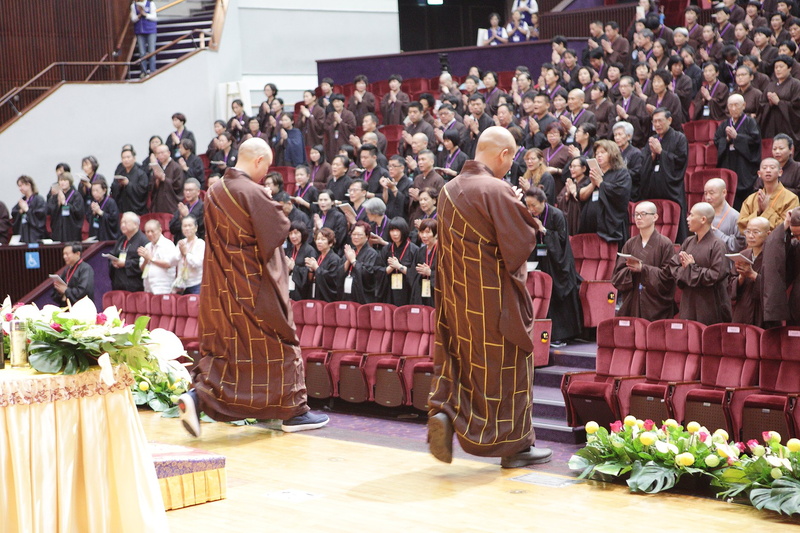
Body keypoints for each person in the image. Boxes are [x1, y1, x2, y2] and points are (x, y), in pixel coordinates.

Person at [178, 138, 330, 437]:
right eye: (268, 166)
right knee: (280, 344)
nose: (266, 173)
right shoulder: (251, 190)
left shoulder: (215, 191)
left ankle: (197, 397)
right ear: (259, 161)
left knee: (235, 353)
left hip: (224, 287)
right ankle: (293, 412)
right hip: (253, 286)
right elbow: (277, 229)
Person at [427, 126, 553, 469]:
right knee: (509, 367)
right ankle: (515, 448)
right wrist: (519, 207)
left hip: (456, 298)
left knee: (465, 364)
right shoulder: (496, 189)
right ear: (503, 155)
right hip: (494, 298)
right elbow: (522, 242)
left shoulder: (448, 189)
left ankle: (449, 414)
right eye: (511, 158)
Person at [668, 202, 733, 325]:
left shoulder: (718, 245)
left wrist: (692, 268)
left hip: (710, 303)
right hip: (688, 300)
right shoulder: (688, 242)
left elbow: (716, 275)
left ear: (703, 219)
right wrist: (688, 270)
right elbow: (673, 266)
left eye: (691, 215)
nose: (687, 219)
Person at [611, 201, 676, 321]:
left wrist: (643, 269)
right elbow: (616, 276)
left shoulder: (665, 244)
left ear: (655, 217)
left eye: (643, 214)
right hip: (633, 299)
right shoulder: (630, 243)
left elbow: (669, 277)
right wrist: (630, 271)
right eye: (636, 214)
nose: (639, 218)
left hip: (655, 303)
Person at [640, 108, 690, 242]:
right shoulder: (652, 139)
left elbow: (680, 162)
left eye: (660, 121)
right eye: (654, 121)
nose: (657, 124)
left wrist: (661, 152)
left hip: (671, 188)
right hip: (653, 187)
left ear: (669, 120)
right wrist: (652, 155)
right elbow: (643, 164)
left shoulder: (679, 138)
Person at [578, 140, 631, 246]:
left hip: (610, 227)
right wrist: (593, 184)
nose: (599, 156)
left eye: (603, 152)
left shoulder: (621, 174)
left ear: (612, 153)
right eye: (597, 153)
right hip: (590, 225)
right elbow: (581, 195)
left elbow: (620, 194)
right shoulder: (595, 173)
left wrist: (601, 184)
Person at [714, 94, 762, 209]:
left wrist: (737, 137)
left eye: (736, 105)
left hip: (744, 165)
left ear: (744, 105)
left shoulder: (751, 123)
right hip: (728, 161)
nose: (733, 108)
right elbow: (716, 140)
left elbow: (755, 141)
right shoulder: (724, 124)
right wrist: (726, 139)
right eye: (730, 105)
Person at [762, 208, 800, 326]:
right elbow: (774, 253)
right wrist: (785, 225)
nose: (798, 239)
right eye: (796, 235)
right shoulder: (797, 246)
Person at [738, 158, 800, 231]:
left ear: (780, 172)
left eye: (772, 167)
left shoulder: (791, 198)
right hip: (752, 240)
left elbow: (787, 226)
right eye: (764, 168)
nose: (768, 170)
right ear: (759, 174)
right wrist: (758, 212)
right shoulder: (751, 199)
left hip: (778, 241)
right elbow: (741, 225)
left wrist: (767, 210)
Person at [730, 216, 770, 327]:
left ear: (768, 234)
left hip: (762, 312)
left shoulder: (773, 257)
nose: (751, 236)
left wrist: (752, 275)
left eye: (756, 232)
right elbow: (730, 286)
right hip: (742, 310)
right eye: (748, 231)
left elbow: (775, 288)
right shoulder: (742, 255)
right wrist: (741, 277)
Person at [759, 55, 800, 149]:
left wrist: (779, 102)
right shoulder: (770, 85)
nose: (778, 70)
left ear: (789, 68)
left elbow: (797, 106)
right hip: (771, 124)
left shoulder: (796, 84)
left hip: (788, 126)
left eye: (781, 67)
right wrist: (769, 104)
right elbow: (761, 104)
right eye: (776, 67)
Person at [376, 217, 418, 306]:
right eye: (392, 231)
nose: (395, 234)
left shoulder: (414, 250)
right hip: (389, 291)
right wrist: (389, 268)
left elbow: (416, 274)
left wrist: (399, 266)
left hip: (407, 292)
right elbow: (377, 270)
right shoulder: (386, 249)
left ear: (404, 231)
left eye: (398, 231)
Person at [340, 221, 379, 303]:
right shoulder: (351, 251)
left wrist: (354, 261)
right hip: (347, 294)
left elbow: (368, 275)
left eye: (359, 234)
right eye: (353, 234)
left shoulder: (372, 253)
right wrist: (348, 260)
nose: (356, 237)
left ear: (367, 236)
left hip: (363, 297)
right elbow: (339, 274)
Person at [109, 212, 148, 292]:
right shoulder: (121, 240)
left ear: (136, 224)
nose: (122, 225)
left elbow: (144, 263)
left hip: (135, 285)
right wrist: (113, 262)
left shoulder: (143, 241)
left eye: (125, 222)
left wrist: (125, 263)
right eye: (121, 222)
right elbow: (113, 253)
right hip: (118, 282)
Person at [705, 178, 746, 253]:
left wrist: (716, 233)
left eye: (711, 193)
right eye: (705, 193)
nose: (708, 197)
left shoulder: (735, 217)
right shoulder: (703, 214)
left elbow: (739, 246)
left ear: (724, 193)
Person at [138, 219, 178, 295]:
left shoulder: (168, 244)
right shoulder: (147, 246)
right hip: (148, 286)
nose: (149, 234)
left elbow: (169, 263)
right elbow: (142, 268)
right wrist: (146, 260)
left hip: (163, 287)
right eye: (147, 231)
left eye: (152, 231)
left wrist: (151, 258)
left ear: (160, 230)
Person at [306, 227, 342, 302]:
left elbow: (332, 280)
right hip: (315, 292)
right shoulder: (318, 257)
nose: (319, 242)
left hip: (327, 298)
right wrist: (311, 270)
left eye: (323, 239)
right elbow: (311, 278)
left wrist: (316, 268)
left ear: (330, 243)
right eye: (317, 239)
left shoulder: (334, 259)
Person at [47, 172, 85, 242]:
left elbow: (78, 212)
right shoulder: (56, 196)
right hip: (58, 228)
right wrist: (58, 204)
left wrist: (65, 203)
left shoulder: (76, 195)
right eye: (61, 180)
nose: (62, 183)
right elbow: (50, 210)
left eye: (65, 180)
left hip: (71, 229)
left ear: (69, 182)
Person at [173, 215, 204, 295]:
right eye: (184, 226)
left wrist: (186, 253)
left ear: (196, 228)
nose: (187, 228)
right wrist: (180, 253)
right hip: (182, 284)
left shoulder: (200, 243)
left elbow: (198, 263)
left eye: (190, 225)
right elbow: (173, 261)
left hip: (196, 283)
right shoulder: (181, 242)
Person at [113, 147, 149, 216]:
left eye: (128, 157)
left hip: (136, 208)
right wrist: (119, 186)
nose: (126, 160)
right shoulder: (120, 173)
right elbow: (113, 188)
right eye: (123, 158)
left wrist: (128, 184)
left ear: (134, 158)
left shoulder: (141, 174)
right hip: (123, 207)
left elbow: (142, 191)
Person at [286, 220, 317, 301]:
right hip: (290, 288)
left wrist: (294, 268)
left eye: (296, 233)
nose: (293, 236)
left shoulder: (309, 250)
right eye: (290, 233)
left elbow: (309, 273)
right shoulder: (290, 250)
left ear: (302, 233)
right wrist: (288, 269)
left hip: (303, 292)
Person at [150, 144, 185, 214]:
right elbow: (152, 188)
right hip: (159, 202)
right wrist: (157, 181)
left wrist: (164, 179)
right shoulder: (157, 167)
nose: (160, 155)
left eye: (162, 153)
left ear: (169, 153)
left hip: (171, 203)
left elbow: (178, 186)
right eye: (158, 153)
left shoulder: (176, 167)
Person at [11, 175, 47, 243]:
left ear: (28, 185)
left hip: (35, 236)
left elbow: (40, 216)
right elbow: (14, 213)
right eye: (19, 186)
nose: (20, 188)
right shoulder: (22, 201)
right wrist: (20, 212)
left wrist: (27, 210)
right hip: (23, 233)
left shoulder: (38, 199)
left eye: (21, 185)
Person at [168, 178, 204, 243]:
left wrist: (187, 216)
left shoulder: (203, 208)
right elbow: (172, 228)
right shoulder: (183, 207)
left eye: (190, 190)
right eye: (185, 190)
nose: (187, 193)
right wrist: (181, 218)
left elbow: (200, 230)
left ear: (198, 192)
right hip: (180, 242)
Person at [411, 219, 437, 306]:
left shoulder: (443, 251)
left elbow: (448, 274)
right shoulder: (420, 251)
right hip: (422, 291)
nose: (424, 236)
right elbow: (413, 273)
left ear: (436, 233)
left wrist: (431, 273)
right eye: (421, 232)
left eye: (427, 232)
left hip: (436, 294)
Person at [323, 94, 357, 161]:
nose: (336, 104)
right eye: (334, 102)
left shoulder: (349, 114)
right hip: (333, 143)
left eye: (338, 101)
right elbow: (326, 128)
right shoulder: (330, 115)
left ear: (343, 102)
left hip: (345, 142)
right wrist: (334, 125)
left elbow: (352, 128)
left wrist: (340, 122)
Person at [313, 189, 347, 254]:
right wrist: (315, 230)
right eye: (320, 200)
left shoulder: (339, 216)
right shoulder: (318, 215)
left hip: (333, 252)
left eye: (325, 200)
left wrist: (321, 227)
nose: (322, 202)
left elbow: (339, 239)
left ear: (332, 202)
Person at [131, 0, 157, 76]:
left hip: (150, 30)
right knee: (142, 53)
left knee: (151, 51)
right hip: (140, 31)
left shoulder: (150, 3)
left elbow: (154, 17)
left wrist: (145, 14)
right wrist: (139, 16)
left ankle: (152, 70)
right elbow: (133, 19)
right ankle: (143, 71)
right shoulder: (134, 5)